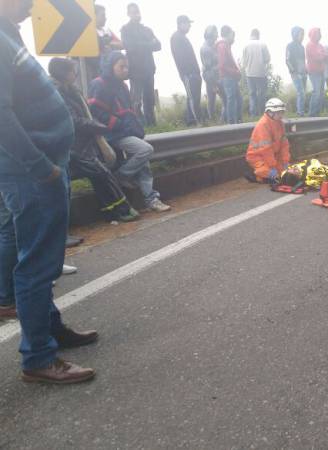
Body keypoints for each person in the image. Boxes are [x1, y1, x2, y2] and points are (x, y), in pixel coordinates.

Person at [0, 0, 98, 384]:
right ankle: (38, 357)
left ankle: (50, 329)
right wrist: (41, 167)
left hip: (41, 165)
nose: (29, 4)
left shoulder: (11, 32)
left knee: (44, 259)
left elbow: (74, 18)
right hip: (32, 171)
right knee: (36, 265)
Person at [49, 58, 140, 223]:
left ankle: (113, 211)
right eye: (72, 71)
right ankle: (122, 210)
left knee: (100, 175)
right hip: (72, 146)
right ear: (64, 73)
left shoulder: (71, 91)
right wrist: (100, 126)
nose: (75, 74)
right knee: (102, 174)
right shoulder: (57, 93)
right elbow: (73, 120)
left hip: (83, 143)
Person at [89, 51, 171, 213]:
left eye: (127, 67)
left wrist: (134, 126)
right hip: (111, 134)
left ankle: (151, 198)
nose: (125, 70)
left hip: (126, 131)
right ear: (111, 66)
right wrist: (116, 124)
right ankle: (120, 177)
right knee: (146, 150)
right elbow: (94, 110)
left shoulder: (123, 86)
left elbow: (129, 110)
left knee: (144, 162)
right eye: (121, 66)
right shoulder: (99, 84)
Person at [121, 3, 161, 127]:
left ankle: (152, 125)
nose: (136, 14)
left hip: (149, 69)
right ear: (128, 14)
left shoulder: (146, 29)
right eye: (133, 12)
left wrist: (141, 44)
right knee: (136, 101)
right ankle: (137, 126)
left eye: (137, 11)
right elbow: (130, 46)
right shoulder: (125, 29)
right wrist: (148, 44)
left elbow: (158, 45)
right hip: (135, 70)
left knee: (150, 99)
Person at [244, 98, 291, 183]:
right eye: (278, 112)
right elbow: (265, 149)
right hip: (257, 157)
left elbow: (284, 145)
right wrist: (272, 166)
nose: (281, 115)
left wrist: (285, 161)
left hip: (272, 156)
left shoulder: (280, 123)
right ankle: (256, 176)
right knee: (272, 174)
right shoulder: (263, 125)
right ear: (270, 112)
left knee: (286, 173)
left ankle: (266, 175)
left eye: (282, 112)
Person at [170, 15, 202, 126]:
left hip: (193, 73)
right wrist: (188, 73)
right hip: (188, 74)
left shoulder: (182, 37)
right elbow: (181, 58)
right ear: (181, 24)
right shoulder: (176, 37)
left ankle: (191, 121)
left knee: (192, 97)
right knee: (193, 98)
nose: (189, 26)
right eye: (188, 23)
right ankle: (197, 122)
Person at [85, 4, 123, 81]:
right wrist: (108, 43)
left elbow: (122, 45)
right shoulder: (87, 31)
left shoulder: (107, 31)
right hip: (94, 70)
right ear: (94, 16)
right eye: (102, 15)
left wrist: (108, 44)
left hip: (110, 70)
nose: (105, 18)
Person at [242, 29, 271, 118]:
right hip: (261, 73)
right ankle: (262, 113)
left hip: (249, 73)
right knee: (261, 93)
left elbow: (244, 61)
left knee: (252, 93)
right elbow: (268, 58)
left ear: (251, 35)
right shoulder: (262, 44)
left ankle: (253, 114)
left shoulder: (246, 45)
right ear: (258, 35)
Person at [217, 25, 242, 124]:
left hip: (230, 77)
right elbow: (222, 65)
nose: (233, 37)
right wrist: (235, 72)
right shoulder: (222, 46)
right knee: (231, 100)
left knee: (238, 99)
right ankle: (231, 123)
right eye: (232, 34)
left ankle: (238, 121)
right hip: (228, 77)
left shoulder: (225, 45)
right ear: (227, 34)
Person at [306, 28, 328, 117]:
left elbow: (326, 55)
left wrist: (322, 56)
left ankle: (317, 113)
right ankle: (312, 113)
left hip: (321, 71)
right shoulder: (309, 45)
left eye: (320, 33)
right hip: (313, 72)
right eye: (317, 33)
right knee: (316, 92)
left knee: (321, 93)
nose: (319, 35)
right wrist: (322, 56)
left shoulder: (320, 45)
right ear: (313, 34)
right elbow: (316, 57)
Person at [200, 26, 220, 122]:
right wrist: (213, 84)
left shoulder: (212, 46)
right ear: (210, 34)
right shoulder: (206, 49)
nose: (217, 36)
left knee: (211, 100)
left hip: (214, 76)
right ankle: (214, 120)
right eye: (216, 33)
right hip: (212, 78)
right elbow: (208, 68)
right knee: (215, 99)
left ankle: (213, 120)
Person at [286, 27, 307, 116]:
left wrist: (306, 70)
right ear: (295, 34)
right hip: (295, 73)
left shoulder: (302, 47)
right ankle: (300, 113)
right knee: (301, 92)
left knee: (303, 93)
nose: (302, 36)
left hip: (303, 72)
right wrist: (293, 71)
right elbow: (287, 60)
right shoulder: (290, 46)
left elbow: (303, 60)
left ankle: (300, 110)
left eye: (303, 34)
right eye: (301, 34)